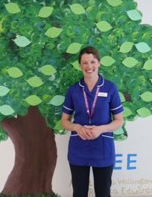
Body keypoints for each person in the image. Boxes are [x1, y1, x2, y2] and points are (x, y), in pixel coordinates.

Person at [61, 46, 124, 197]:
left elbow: (119, 120)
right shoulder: (74, 90)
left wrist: (101, 129)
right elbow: (64, 120)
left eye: (92, 62)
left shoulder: (110, 88)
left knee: (103, 193)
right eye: (85, 63)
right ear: (80, 65)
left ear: (99, 63)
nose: (89, 66)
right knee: (79, 193)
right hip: (79, 149)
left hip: (103, 148)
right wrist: (76, 127)